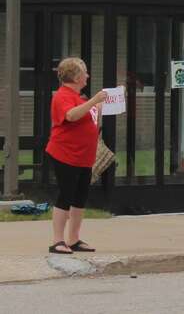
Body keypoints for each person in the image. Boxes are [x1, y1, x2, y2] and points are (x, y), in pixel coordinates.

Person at [45, 58, 106, 255]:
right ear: (77, 76)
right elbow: (70, 116)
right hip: (66, 154)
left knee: (80, 197)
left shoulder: (80, 98)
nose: (87, 76)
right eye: (85, 73)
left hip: (83, 157)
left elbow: (93, 127)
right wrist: (94, 101)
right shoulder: (62, 96)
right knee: (66, 195)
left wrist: (99, 110)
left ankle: (73, 239)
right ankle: (57, 240)